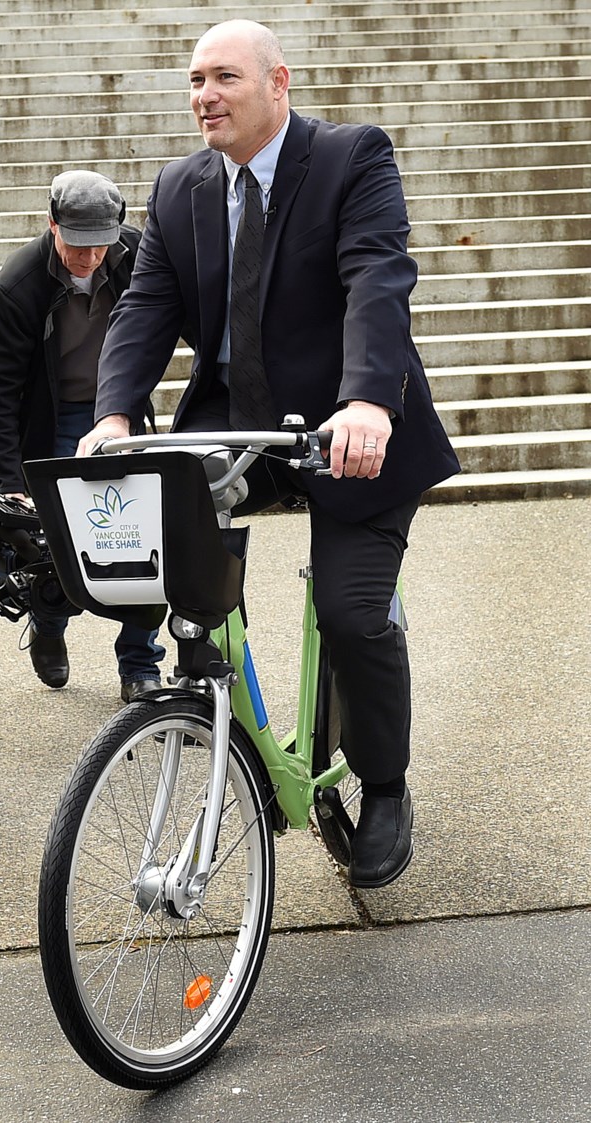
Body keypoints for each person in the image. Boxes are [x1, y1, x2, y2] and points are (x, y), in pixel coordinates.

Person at [78, 20, 461, 889]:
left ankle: (387, 786)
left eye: (225, 78)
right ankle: (226, 738)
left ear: (277, 83)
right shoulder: (180, 186)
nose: (204, 95)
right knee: (192, 605)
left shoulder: (350, 157)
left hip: (350, 430)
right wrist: (114, 414)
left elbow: (377, 276)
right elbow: (144, 309)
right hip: (238, 426)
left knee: (353, 609)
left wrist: (366, 398)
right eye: (194, 80)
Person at [0, 171, 165, 702]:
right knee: (64, 547)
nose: (90, 258)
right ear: (52, 225)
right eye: (79, 246)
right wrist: (9, 479)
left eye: (101, 244)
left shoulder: (134, 255)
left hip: (120, 412)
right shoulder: (20, 283)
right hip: (52, 419)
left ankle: (140, 662)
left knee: (143, 540)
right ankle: (50, 621)